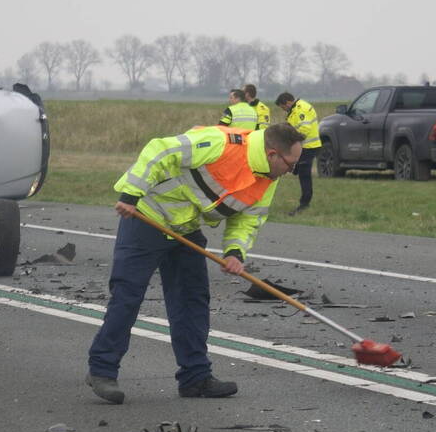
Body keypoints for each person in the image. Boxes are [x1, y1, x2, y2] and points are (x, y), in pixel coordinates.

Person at [85, 123, 305, 404]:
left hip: (184, 229)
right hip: (146, 217)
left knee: (193, 301)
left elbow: (248, 218)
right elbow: (159, 150)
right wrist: (131, 194)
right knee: (127, 296)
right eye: (291, 165)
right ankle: (102, 370)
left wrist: (235, 252)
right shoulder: (220, 142)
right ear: (273, 154)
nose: (291, 172)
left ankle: (195, 378)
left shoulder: (267, 179)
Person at [275, 91, 321, 213]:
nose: (284, 110)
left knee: (304, 175)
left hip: (308, 147)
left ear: (288, 102)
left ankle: (304, 204)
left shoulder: (301, 109)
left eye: (283, 107)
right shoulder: (294, 109)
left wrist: (290, 139)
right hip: (303, 147)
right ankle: (296, 168)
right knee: (298, 170)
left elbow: (304, 130)